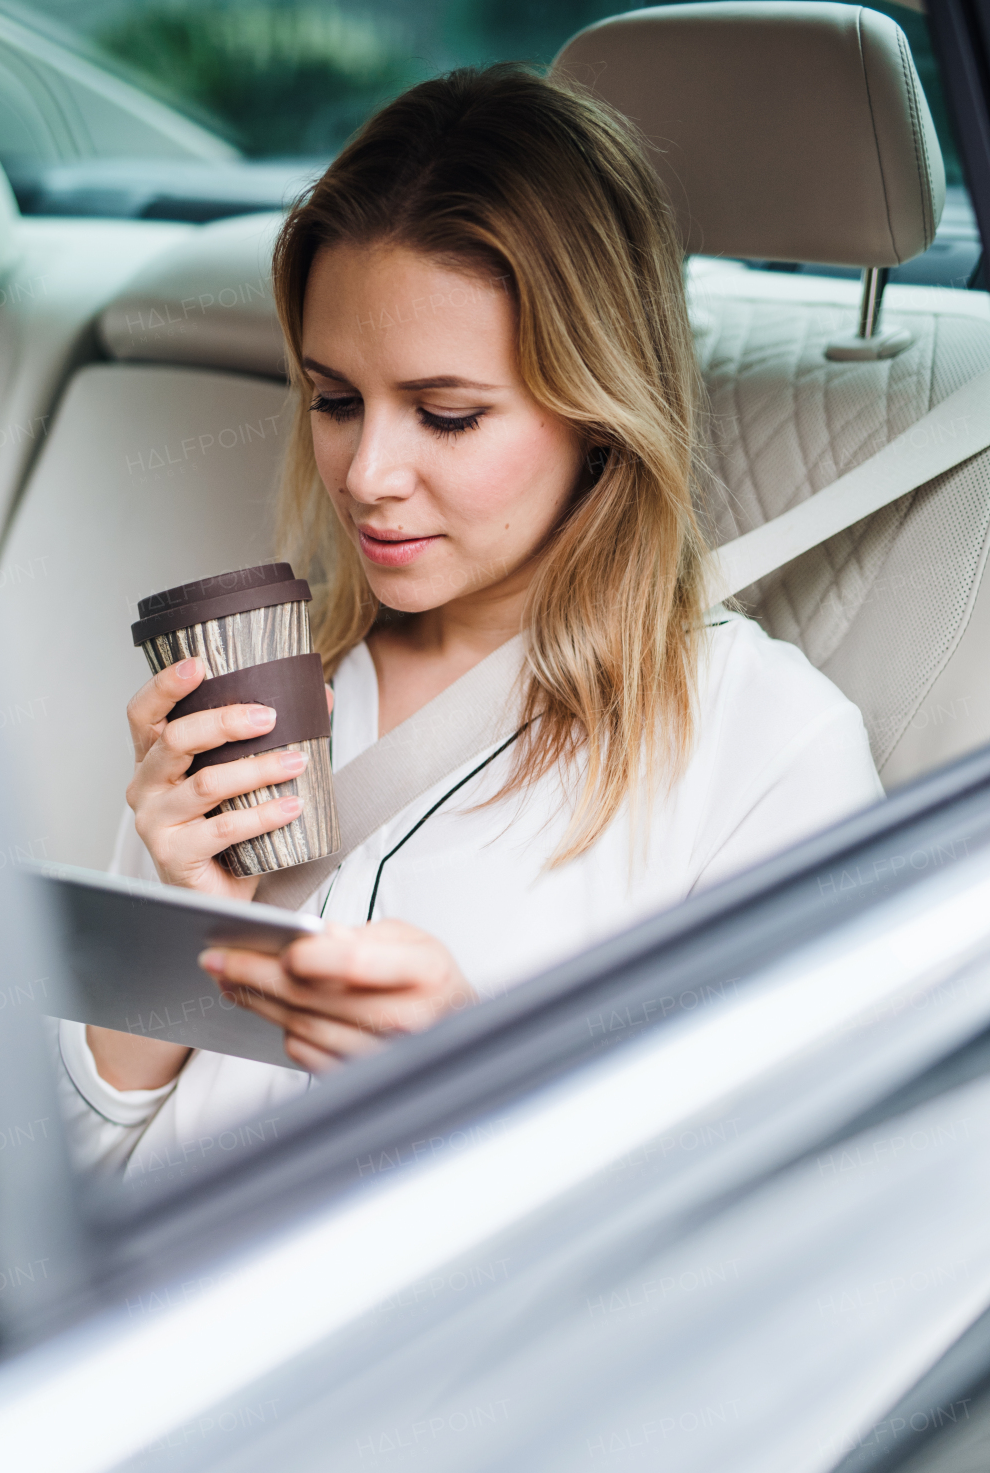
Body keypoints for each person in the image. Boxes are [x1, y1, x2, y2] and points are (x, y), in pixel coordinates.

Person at [56, 65, 882, 1178]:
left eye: (446, 416)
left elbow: (793, 1239)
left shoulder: (763, 752)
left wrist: (476, 1081)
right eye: (333, 400)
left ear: (597, 409)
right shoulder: (252, 701)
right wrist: (167, 931)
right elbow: (66, 1185)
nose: (367, 475)